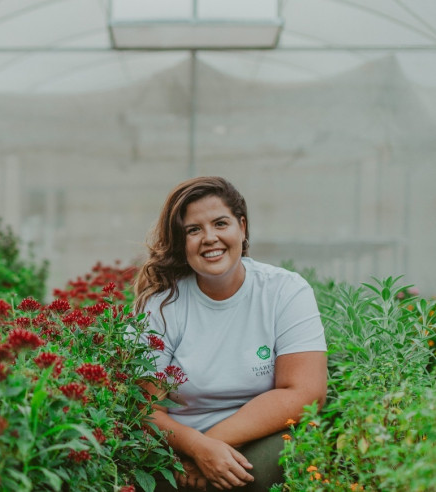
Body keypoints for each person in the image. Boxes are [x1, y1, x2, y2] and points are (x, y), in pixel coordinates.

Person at [133, 177, 327, 492]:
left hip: (258, 436)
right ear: (182, 243)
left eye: (220, 223)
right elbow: (146, 409)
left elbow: (305, 393)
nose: (209, 238)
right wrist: (193, 448)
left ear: (242, 227)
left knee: (257, 474)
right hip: (179, 444)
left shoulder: (285, 290)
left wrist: (208, 447)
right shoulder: (162, 306)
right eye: (193, 230)